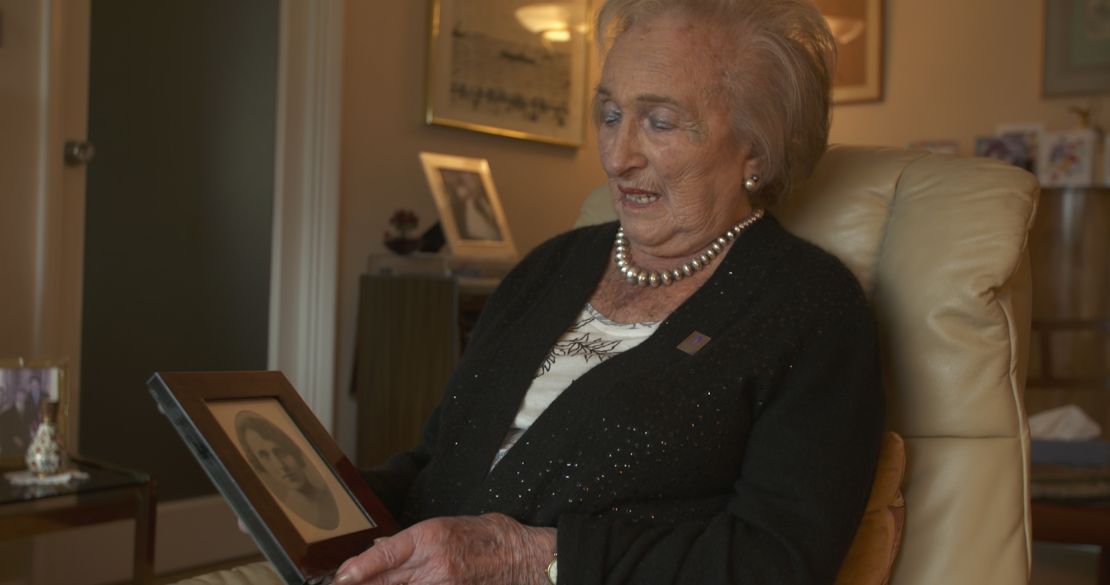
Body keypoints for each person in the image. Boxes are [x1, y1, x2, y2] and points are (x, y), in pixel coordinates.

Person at [337, 0, 883, 583]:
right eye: (610, 114)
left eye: (661, 122)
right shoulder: (549, 266)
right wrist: (320, 503)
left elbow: (775, 561)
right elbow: (437, 463)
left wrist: (528, 558)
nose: (619, 157)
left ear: (757, 146)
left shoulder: (809, 306)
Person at [236, 411, 340, 531]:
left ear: (293, 451)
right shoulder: (277, 515)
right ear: (259, 464)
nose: (281, 466)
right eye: (265, 456)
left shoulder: (336, 499)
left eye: (280, 452)